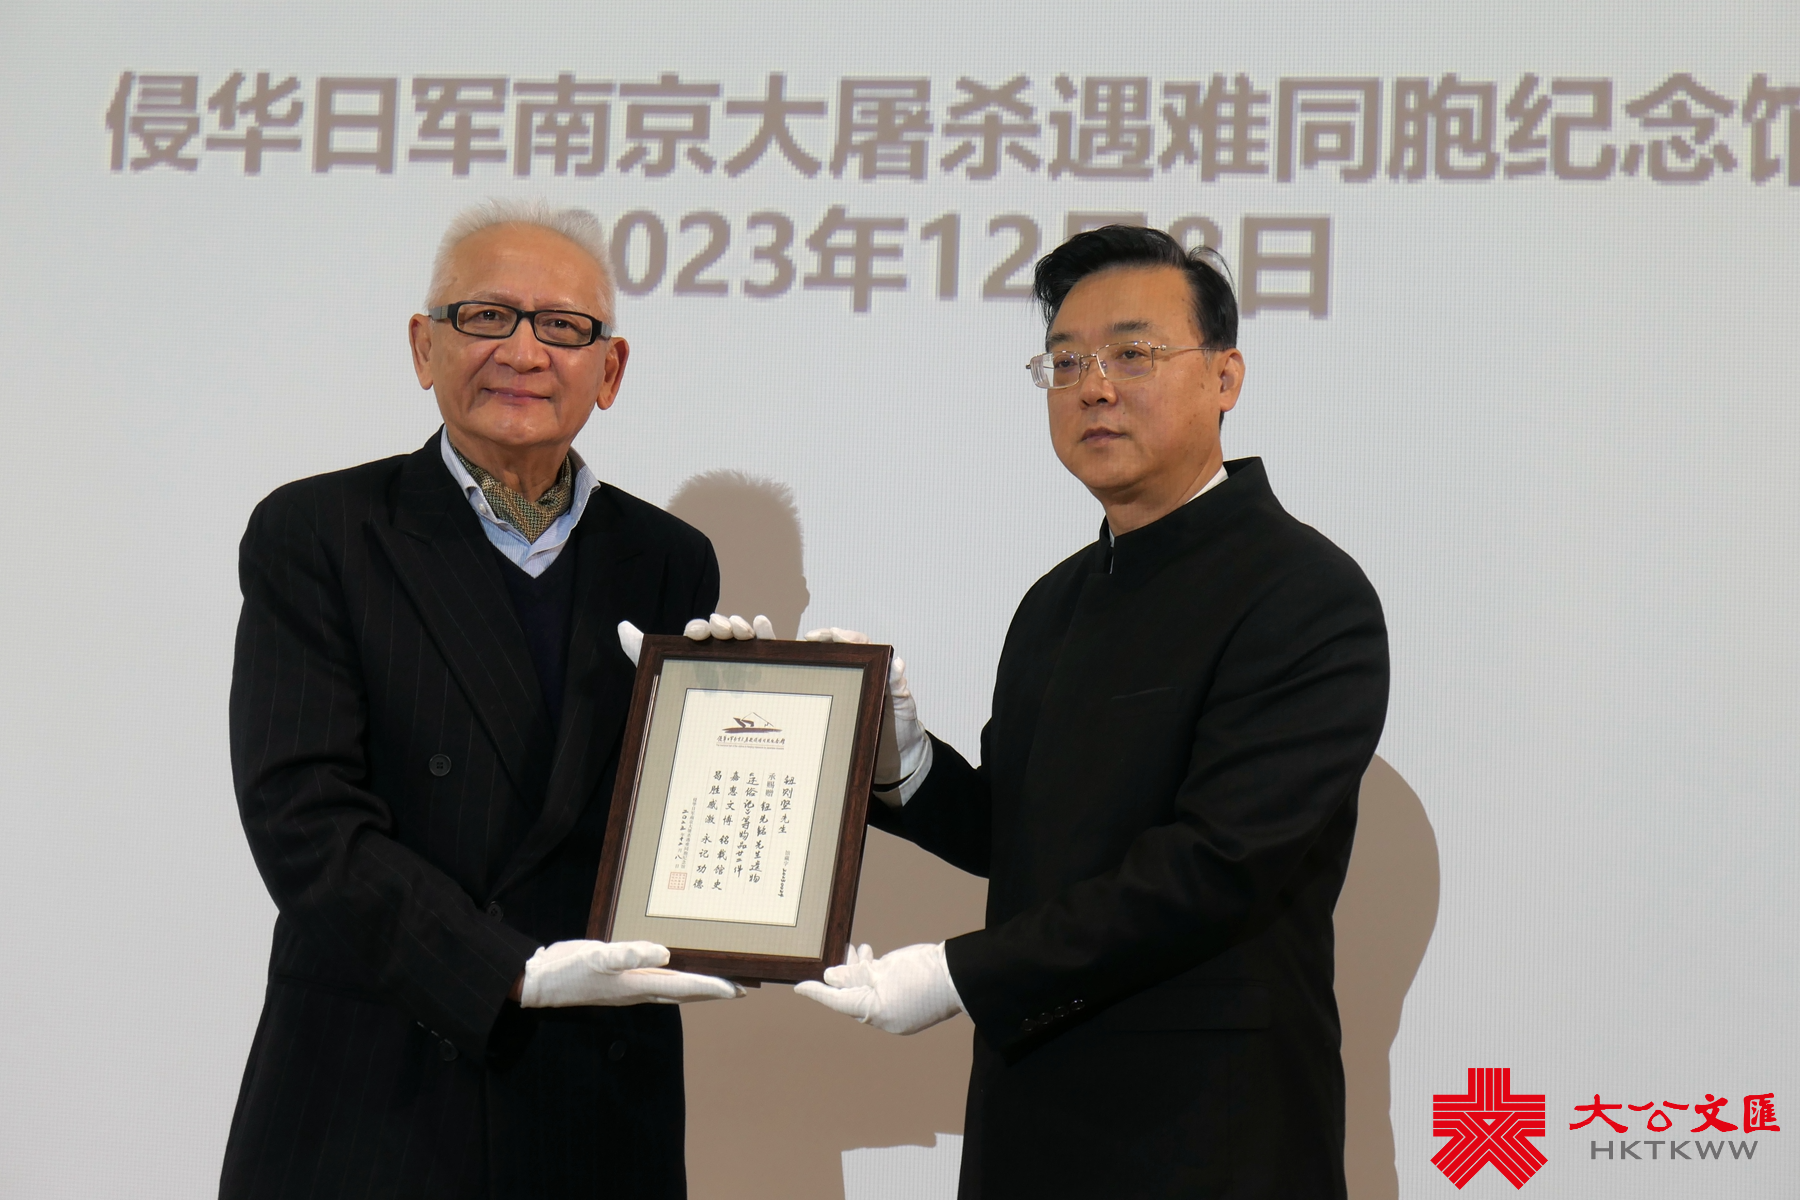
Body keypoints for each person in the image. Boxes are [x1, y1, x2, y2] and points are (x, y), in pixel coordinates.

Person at [795, 226, 1391, 1198]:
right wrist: (899, 760)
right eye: (1065, 362)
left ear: (1227, 376)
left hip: (1208, 1136)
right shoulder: (1056, 600)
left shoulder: (1305, 594)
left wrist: (959, 974)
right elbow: (1019, 836)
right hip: (1030, 1125)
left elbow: (1216, 866)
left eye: (1133, 354)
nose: (1094, 387)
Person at [222, 198, 752, 1200]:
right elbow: (302, 821)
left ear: (611, 369)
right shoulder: (321, 531)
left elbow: (672, 828)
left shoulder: (669, 559)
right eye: (486, 316)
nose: (523, 350)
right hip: (381, 1078)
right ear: (424, 347)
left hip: (596, 1082)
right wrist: (508, 970)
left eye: (563, 326)